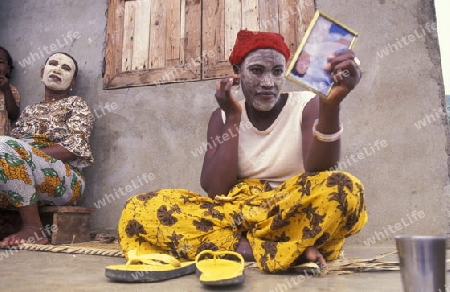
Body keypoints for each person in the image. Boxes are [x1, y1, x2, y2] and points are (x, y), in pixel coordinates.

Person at [118, 30, 367, 273]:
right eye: (256, 71)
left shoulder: (306, 104)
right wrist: (234, 117)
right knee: (141, 209)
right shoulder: (223, 115)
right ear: (237, 72)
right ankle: (287, 251)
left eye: (277, 71)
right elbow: (216, 189)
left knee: (345, 189)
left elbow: (318, 169)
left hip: (287, 214)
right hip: (236, 215)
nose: (268, 83)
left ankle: (247, 247)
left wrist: (331, 105)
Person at [0, 52, 94, 247]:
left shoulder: (76, 104)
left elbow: (74, 149)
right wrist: (21, 154)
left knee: (5, 146)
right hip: (25, 173)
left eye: (66, 68)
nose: (58, 69)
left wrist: (26, 154)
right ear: (42, 72)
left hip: (66, 179)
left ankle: (34, 229)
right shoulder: (30, 111)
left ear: (73, 81)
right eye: (53, 64)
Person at [0, 46, 20, 136]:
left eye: (0, 62)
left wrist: (6, 90)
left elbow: (13, 115)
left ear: (8, 69)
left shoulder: (11, 90)